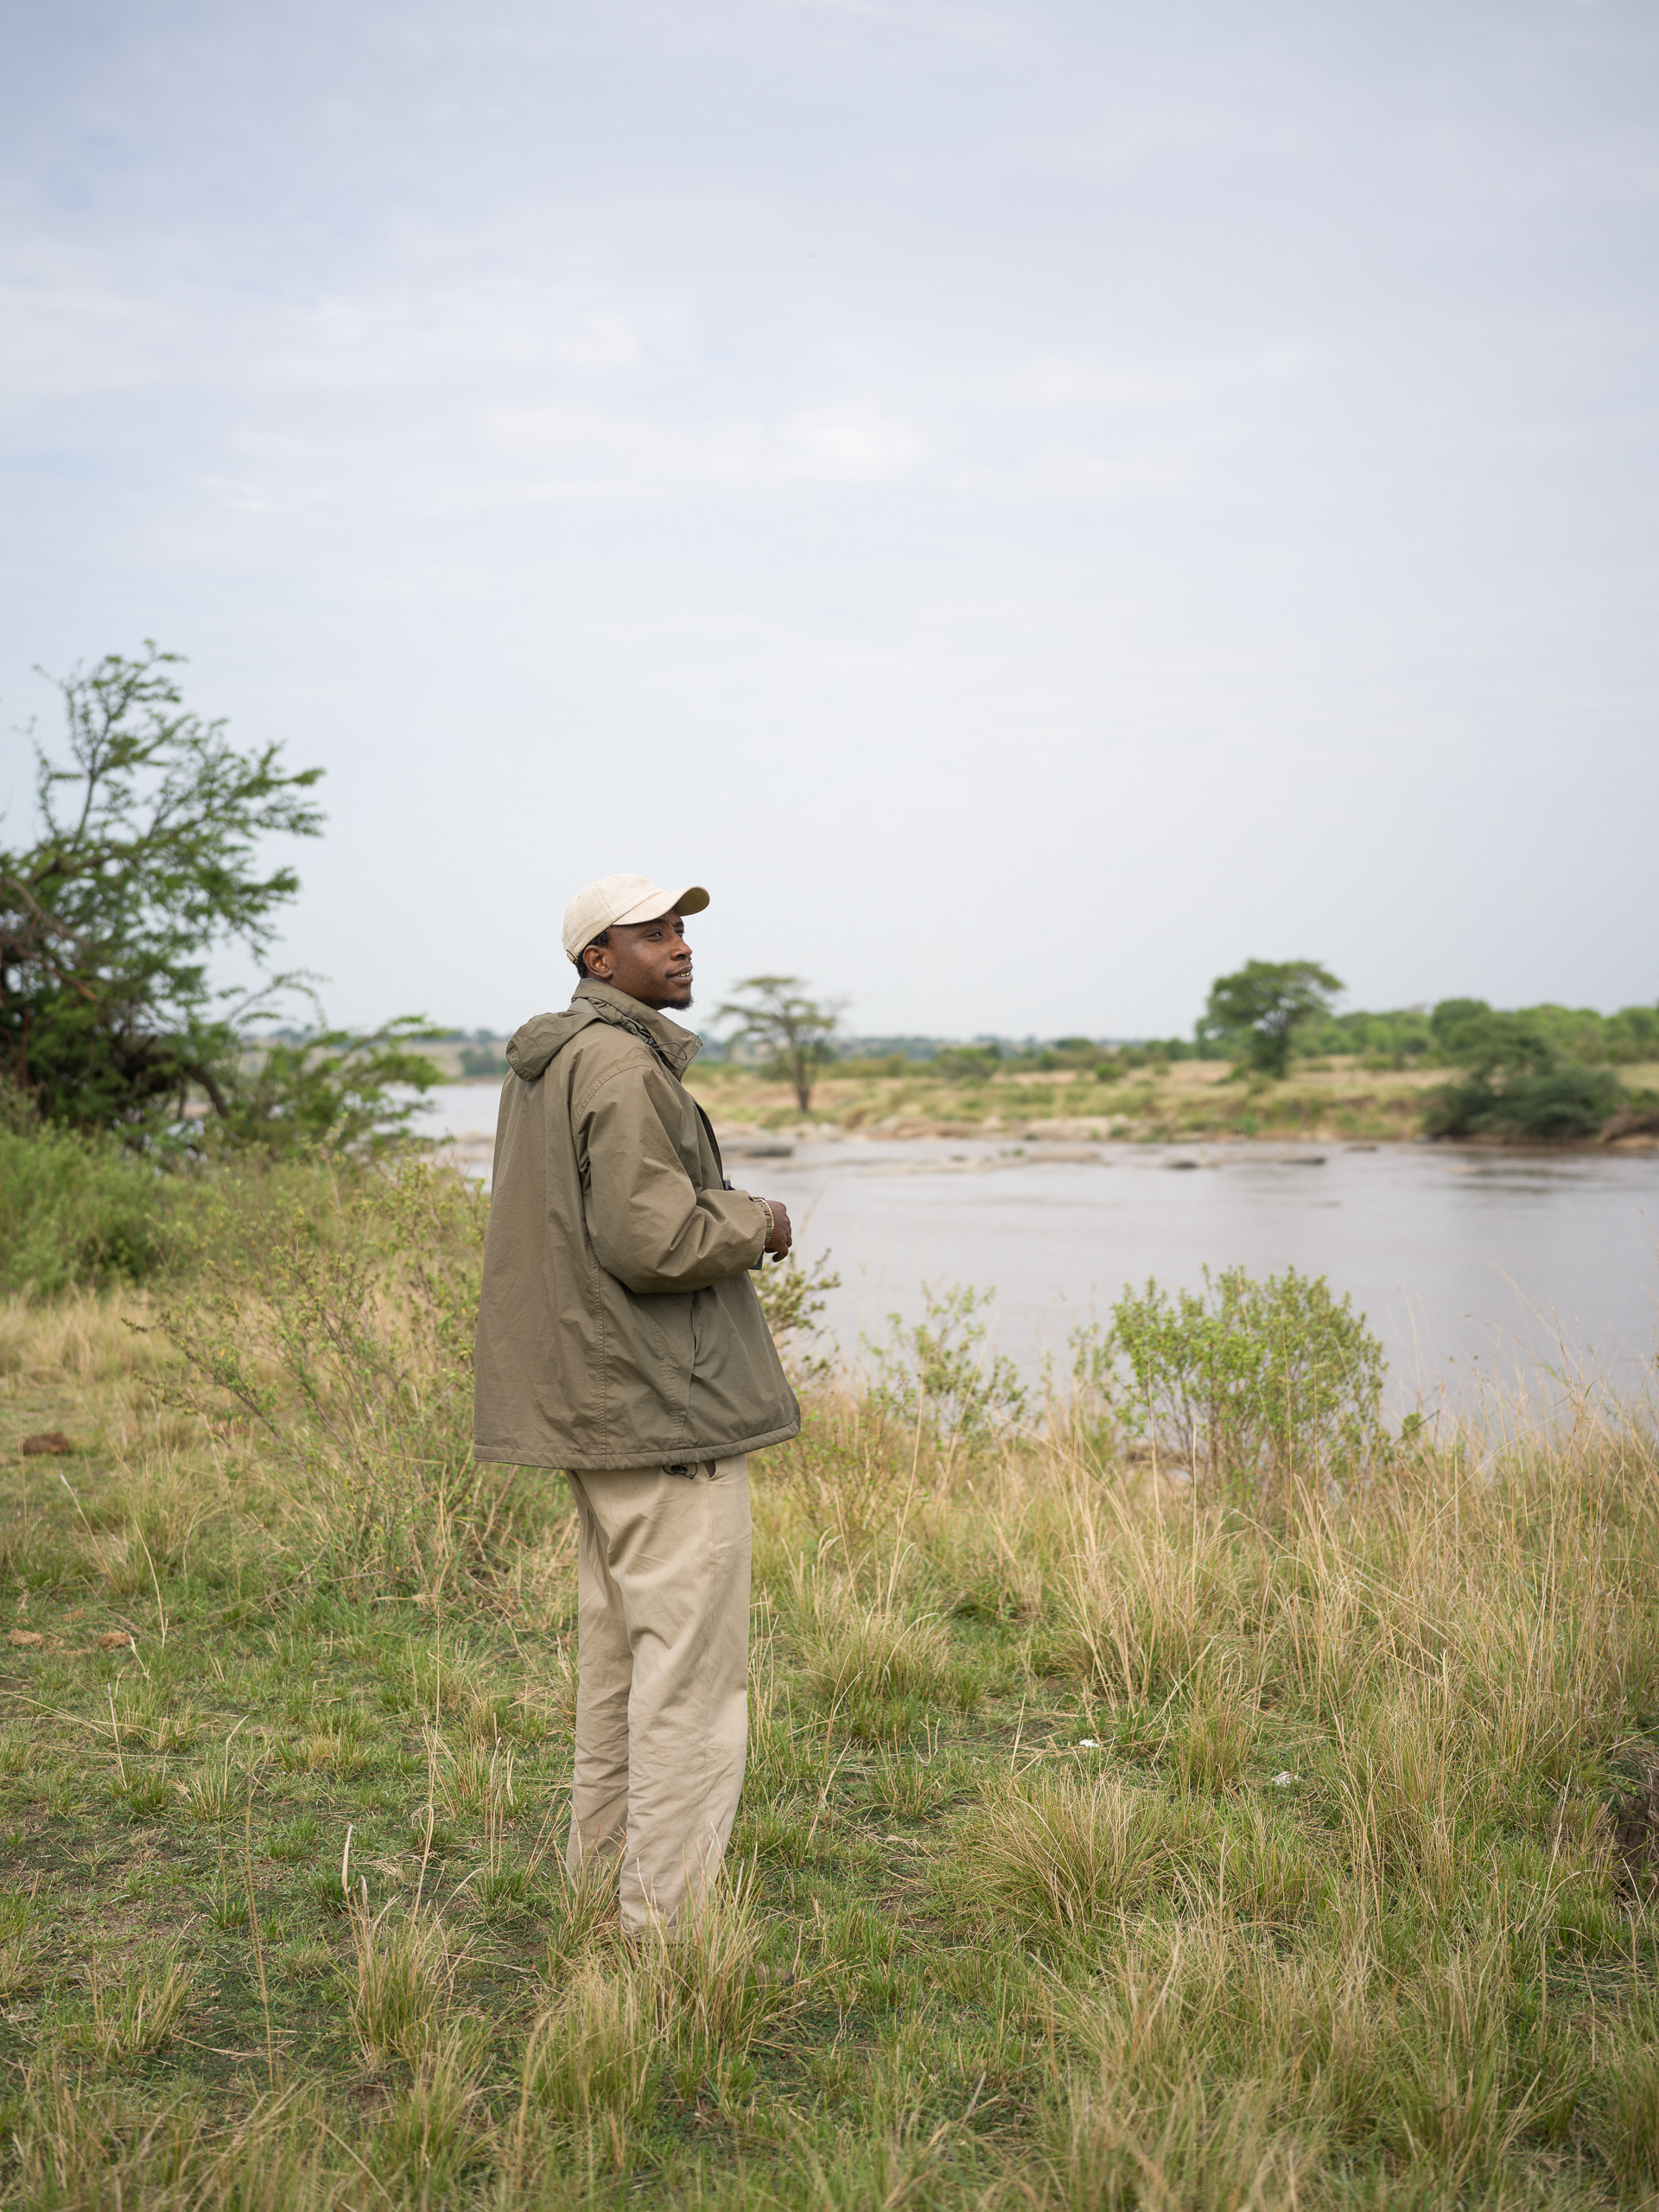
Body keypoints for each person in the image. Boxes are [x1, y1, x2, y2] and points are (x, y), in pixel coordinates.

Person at [473, 873, 799, 1934]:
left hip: (602, 1407)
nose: (680, 946)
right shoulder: (619, 1061)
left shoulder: (555, 1059)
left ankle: (599, 1890)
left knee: (621, 1666)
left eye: (683, 929)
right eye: (651, 933)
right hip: (665, 1409)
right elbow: (648, 1237)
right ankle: (664, 1931)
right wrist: (756, 1220)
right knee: (690, 1685)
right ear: (596, 960)